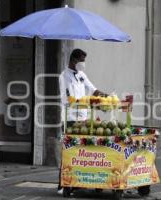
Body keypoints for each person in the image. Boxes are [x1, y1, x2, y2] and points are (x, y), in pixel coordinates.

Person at [57, 48, 107, 194]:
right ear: (74, 60)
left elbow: (93, 89)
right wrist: (87, 102)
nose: (84, 64)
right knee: (69, 152)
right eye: (82, 61)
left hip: (83, 119)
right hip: (70, 119)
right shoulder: (64, 77)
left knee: (83, 152)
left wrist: (107, 96)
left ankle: (79, 182)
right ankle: (62, 184)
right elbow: (67, 99)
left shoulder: (82, 75)